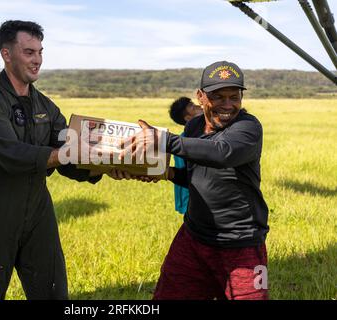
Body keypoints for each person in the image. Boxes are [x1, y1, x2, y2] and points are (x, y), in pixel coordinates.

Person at [0, 20, 102, 300]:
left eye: (40, 52)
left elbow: (66, 149)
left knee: (54, 291)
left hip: (38, 212)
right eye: (29, 52)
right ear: (6, 54)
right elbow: (10, 155)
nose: (37, 61)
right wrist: (65, 154)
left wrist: (100, 165)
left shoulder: (46, 105)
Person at [115, 61, 269, 300]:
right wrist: (167, 174)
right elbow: (199, 176)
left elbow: (222, 153)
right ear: (200, 97)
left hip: (242, 245)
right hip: (193, 238)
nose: (227, 106)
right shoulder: (195, 126)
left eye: (234, 97)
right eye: (218, 97)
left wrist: (165, 140)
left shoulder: (248, 127)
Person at [168, 97, 202, 214]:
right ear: (188, 118)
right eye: (193, 107)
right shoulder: (182, 141)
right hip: (190, 197)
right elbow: (183, 174)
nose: (199, 106)